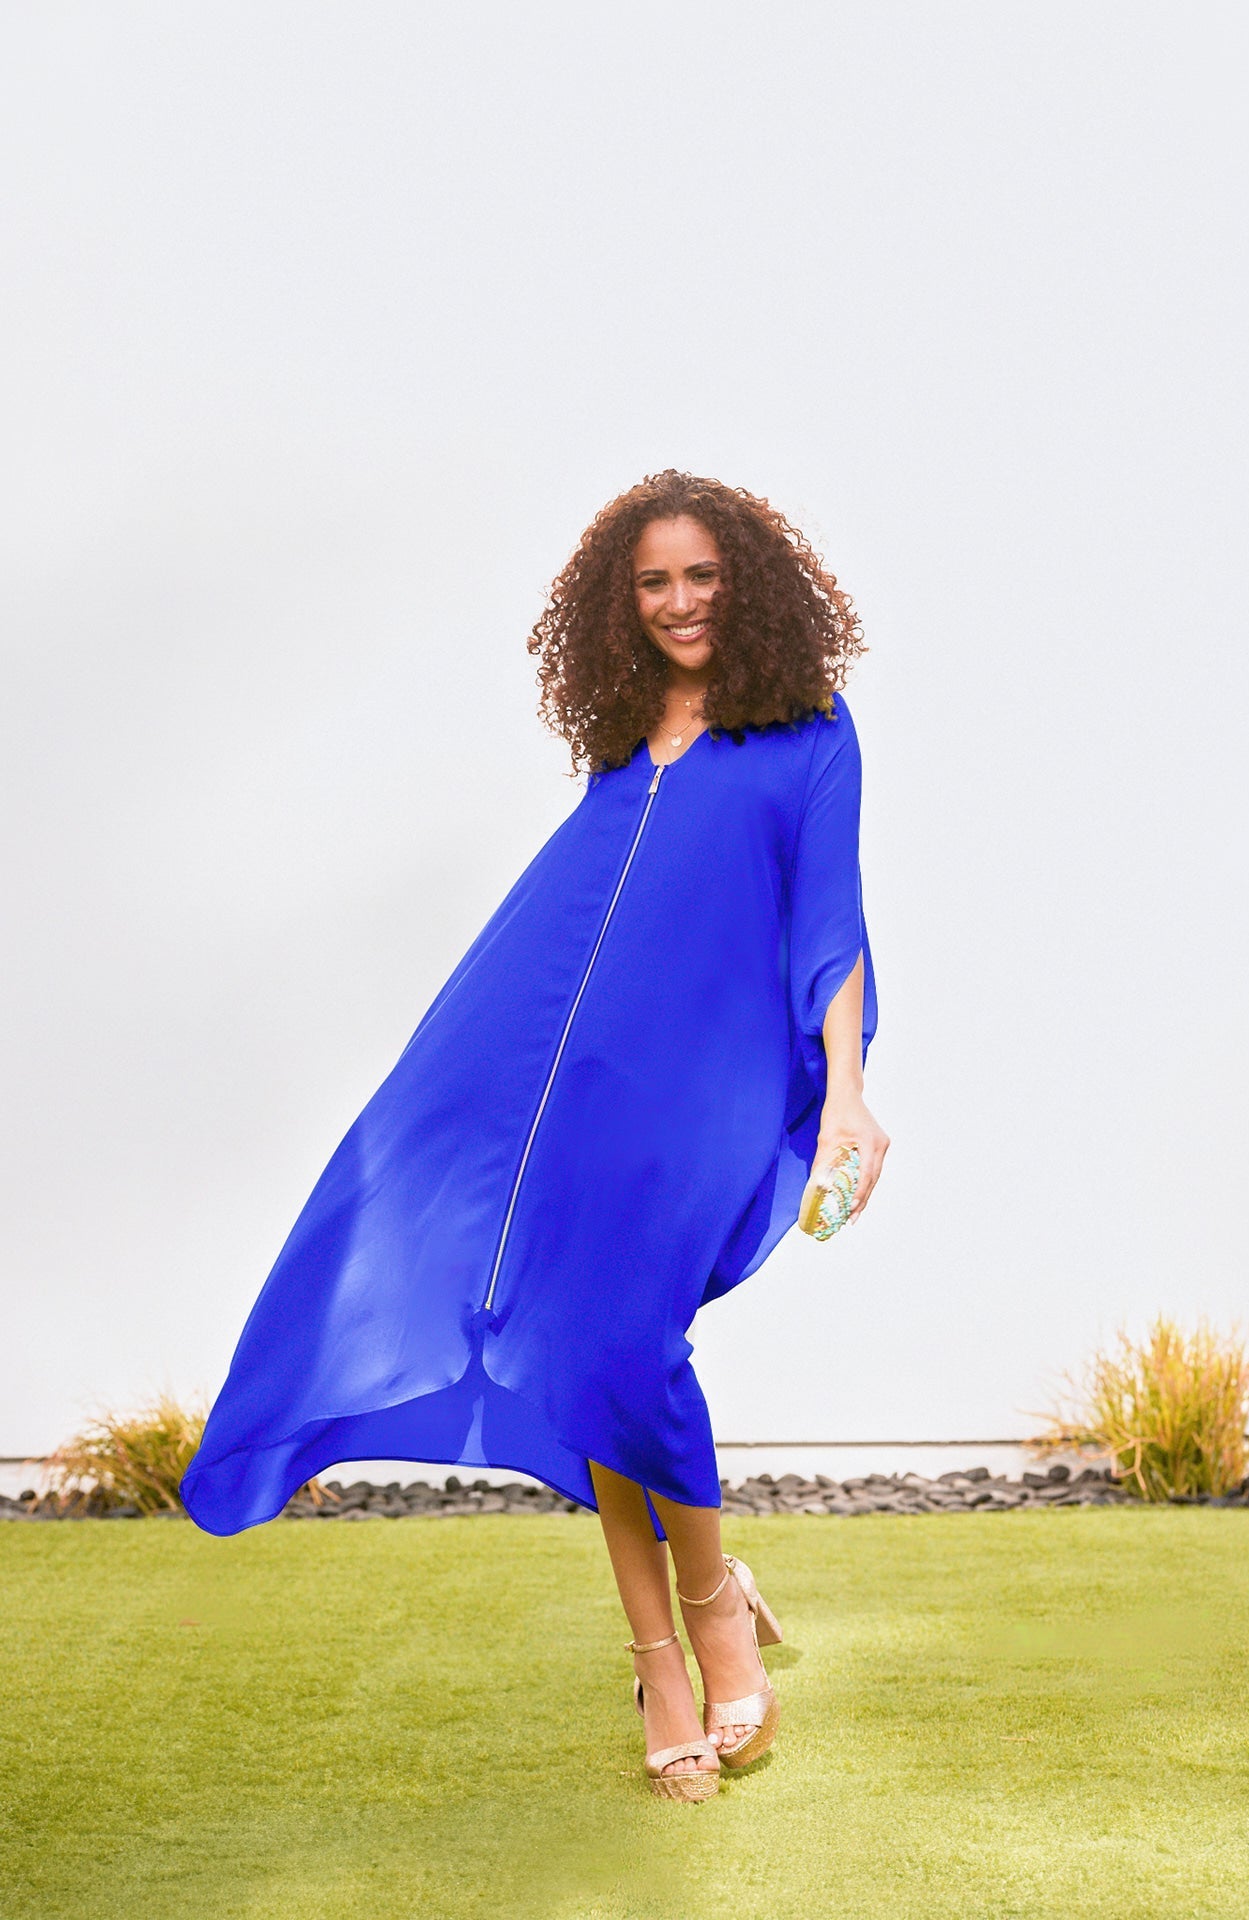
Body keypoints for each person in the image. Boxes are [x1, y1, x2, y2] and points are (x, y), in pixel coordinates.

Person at [181, 469, 890, 1802]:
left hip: (711, 1084)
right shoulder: (627, 737)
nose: (679, 601)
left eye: (699, 574)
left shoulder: (804, 731)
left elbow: (829, 924)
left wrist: (843, 1087)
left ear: (743, 579)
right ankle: (661, 1657)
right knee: (573, 1339)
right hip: (571, 1077)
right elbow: (575, 920)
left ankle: (716, 1599)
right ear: (622, 605)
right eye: (653, 582)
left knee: (627, 1343)